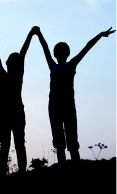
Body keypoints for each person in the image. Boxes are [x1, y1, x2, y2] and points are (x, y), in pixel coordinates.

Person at [35, 26, 116, 163]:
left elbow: (86, 47)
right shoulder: (65, 65)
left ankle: (72, 168)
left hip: (63, 107)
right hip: (58, 107)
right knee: (63, 141)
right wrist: (39, 34)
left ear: (62, 54)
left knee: (68, 141)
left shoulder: (63, 65)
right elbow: (85, 47)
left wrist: (100, 35)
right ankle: (69, 168)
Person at [0, 27, 37, 176]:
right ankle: (16, 171)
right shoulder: (9, 74)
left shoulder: (12, 74)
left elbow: (22, 52)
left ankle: (15, 171)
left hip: (12, 113)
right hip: (11, 113)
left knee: (13, 144)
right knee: (14, 144)